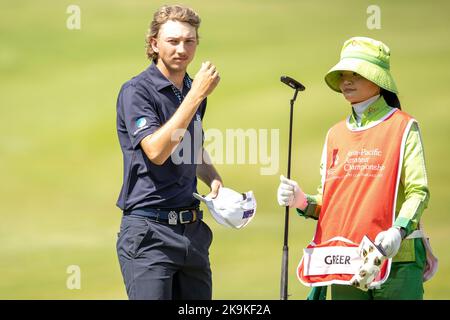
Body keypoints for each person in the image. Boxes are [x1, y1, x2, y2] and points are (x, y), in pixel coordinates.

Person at [277, 37, 435, 300]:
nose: (346, 81)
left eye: (356, 74)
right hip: (344, 263)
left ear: (378, 79)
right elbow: (331, 205)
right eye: (343, 75)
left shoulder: (404, 126)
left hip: (399, 260)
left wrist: (399, 230)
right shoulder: (335, 134)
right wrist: (302, 201)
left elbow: (418, 192)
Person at [115, 5, 223, 300]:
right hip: (149, 234)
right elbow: (157, 151)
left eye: (189, 41)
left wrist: (213, 179)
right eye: (173, 41)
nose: (182, 49)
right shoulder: (136, 91)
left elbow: (190, 146)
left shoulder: (188, 90)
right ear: (154, 44)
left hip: (192, 234)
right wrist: (197, 94)